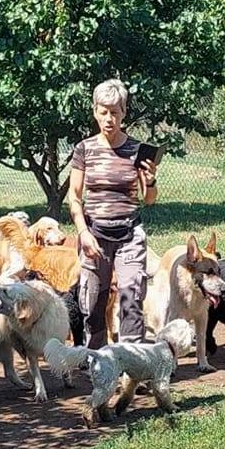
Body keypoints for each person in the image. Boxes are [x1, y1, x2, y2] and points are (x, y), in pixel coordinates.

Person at [68, 79, 158, 348]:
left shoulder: (136, 150)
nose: (109, 119)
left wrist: (151, 180)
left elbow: (149, 200)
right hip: (94, 236)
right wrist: (83, 233)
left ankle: (132, 366)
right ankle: (98, 361)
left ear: (124, 113)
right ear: (95, 111)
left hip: (129, 234)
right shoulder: (84, 149)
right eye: (103, 112)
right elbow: (74, 196)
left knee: (131, 298)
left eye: (115, 112)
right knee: (93, 301)